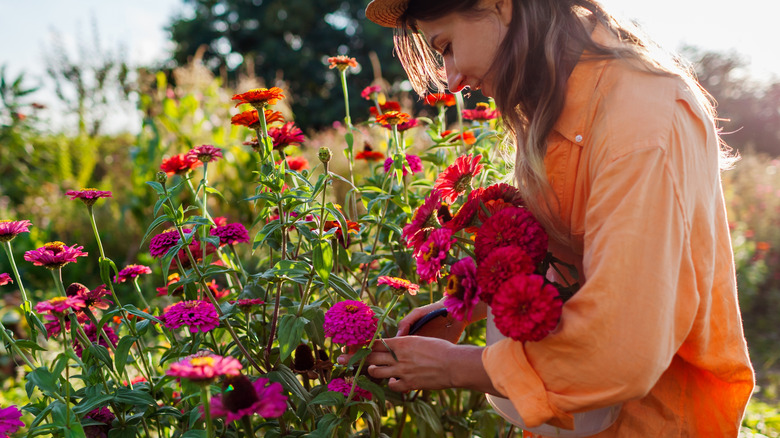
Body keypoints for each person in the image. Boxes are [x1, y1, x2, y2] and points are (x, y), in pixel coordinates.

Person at [339, 0, 756, 436]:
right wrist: (470, 303)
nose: (452, 78)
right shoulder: (567, 102)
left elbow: (621, 346)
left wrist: (452, 366)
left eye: (446, 46)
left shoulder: (639, 120)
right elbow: (576, 261)